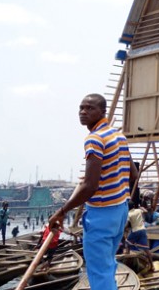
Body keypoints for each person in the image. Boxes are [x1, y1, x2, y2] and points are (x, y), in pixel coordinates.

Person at [48, 93, 132, 290]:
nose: (83, 112)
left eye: (90, 108)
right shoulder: (119, 136)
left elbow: (90, 186)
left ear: (103, 112)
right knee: (108, 265)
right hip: (120, 210)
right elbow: (132, 173)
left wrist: (61, 212)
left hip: (101, 214)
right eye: (81, 108)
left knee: (98, 271)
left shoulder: (94, 139)